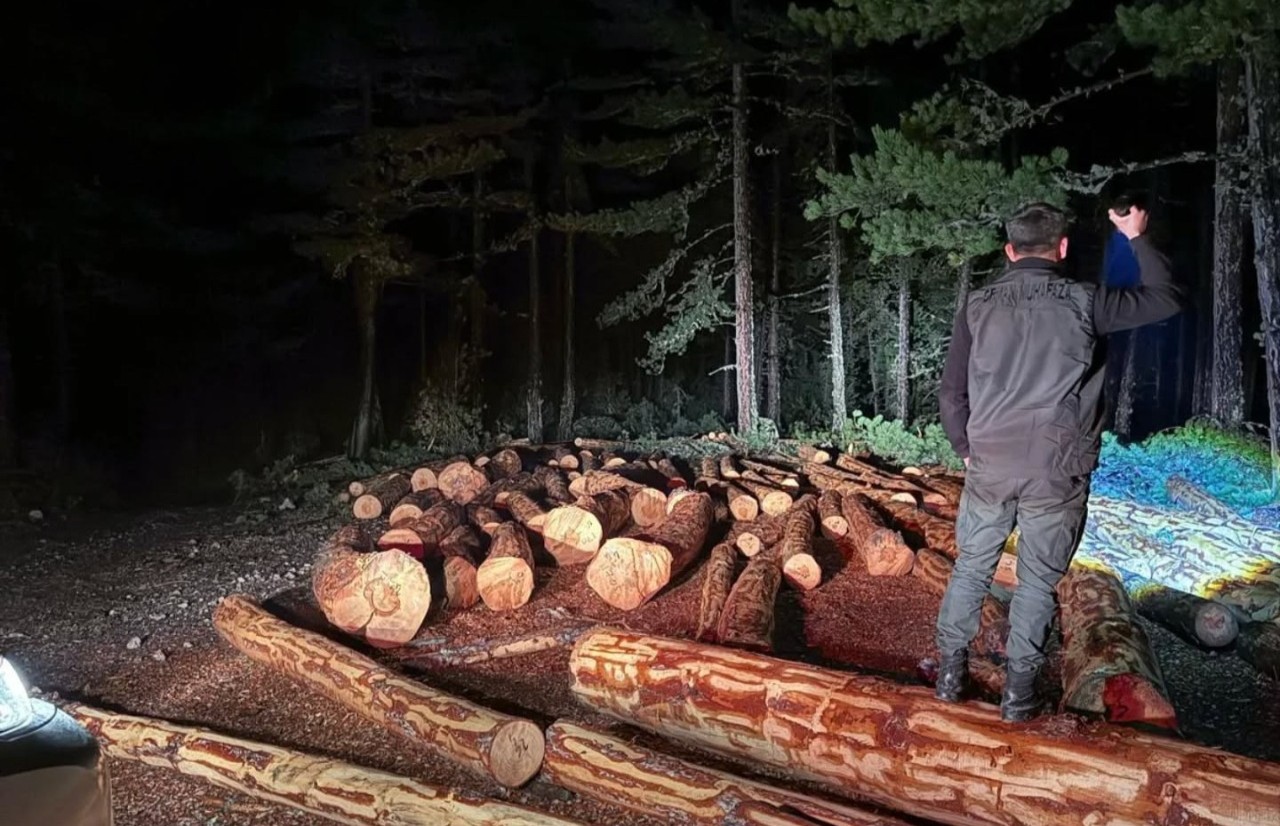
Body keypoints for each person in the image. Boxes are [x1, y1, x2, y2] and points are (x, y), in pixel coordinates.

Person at [934, 201, 1185, 722]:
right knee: (1036, 583)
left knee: (972, 568)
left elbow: (952, 390)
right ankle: (1017, 697)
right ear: (1062, 248)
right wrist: (1135, 237)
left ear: (1009, 251)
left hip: (990, 464)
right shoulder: (1085, 301)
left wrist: (964, 446)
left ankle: (949, 676)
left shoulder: (978, 305)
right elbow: (1165, 299)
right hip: (1057, 467)